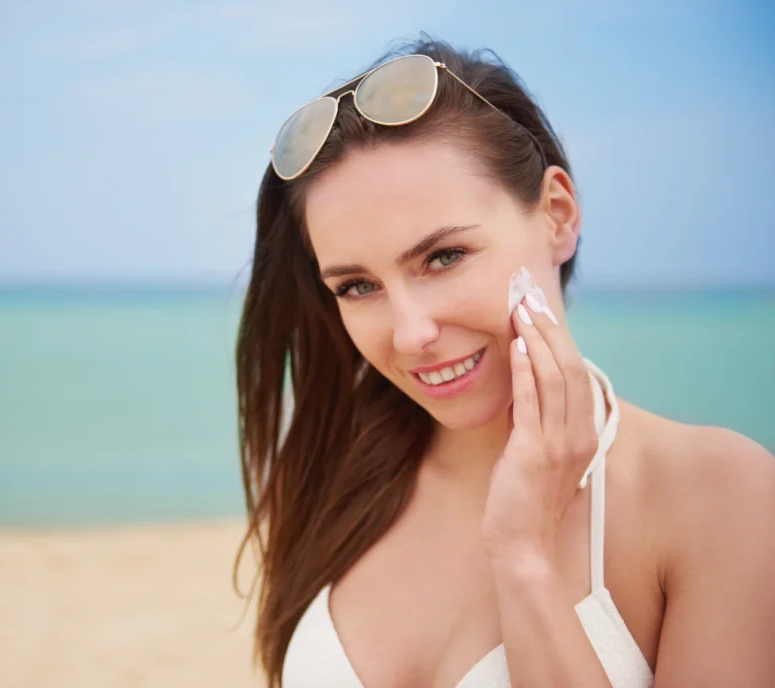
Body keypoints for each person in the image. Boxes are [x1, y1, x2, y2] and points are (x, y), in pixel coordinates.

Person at [233, 37, 775, 687]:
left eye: (443, 257)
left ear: (557, 216)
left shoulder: (716, 497)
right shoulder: (343, 475)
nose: (410, 334)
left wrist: (524, 558)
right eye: (358, 286)